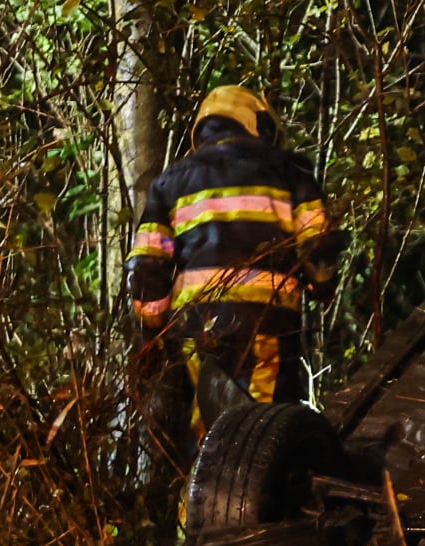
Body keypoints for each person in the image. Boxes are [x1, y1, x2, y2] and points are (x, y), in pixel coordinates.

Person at [127, 86, 341, 470]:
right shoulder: (290, 171)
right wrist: (322, 285)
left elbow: (148, 265)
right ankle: (260, 522)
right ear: (258, 123)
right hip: (267, 322)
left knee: (207, 431)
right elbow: (319, 246)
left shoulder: (170, 182)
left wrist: (151, 332)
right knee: (265, 431)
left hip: (195, 326)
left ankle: (197, 523)